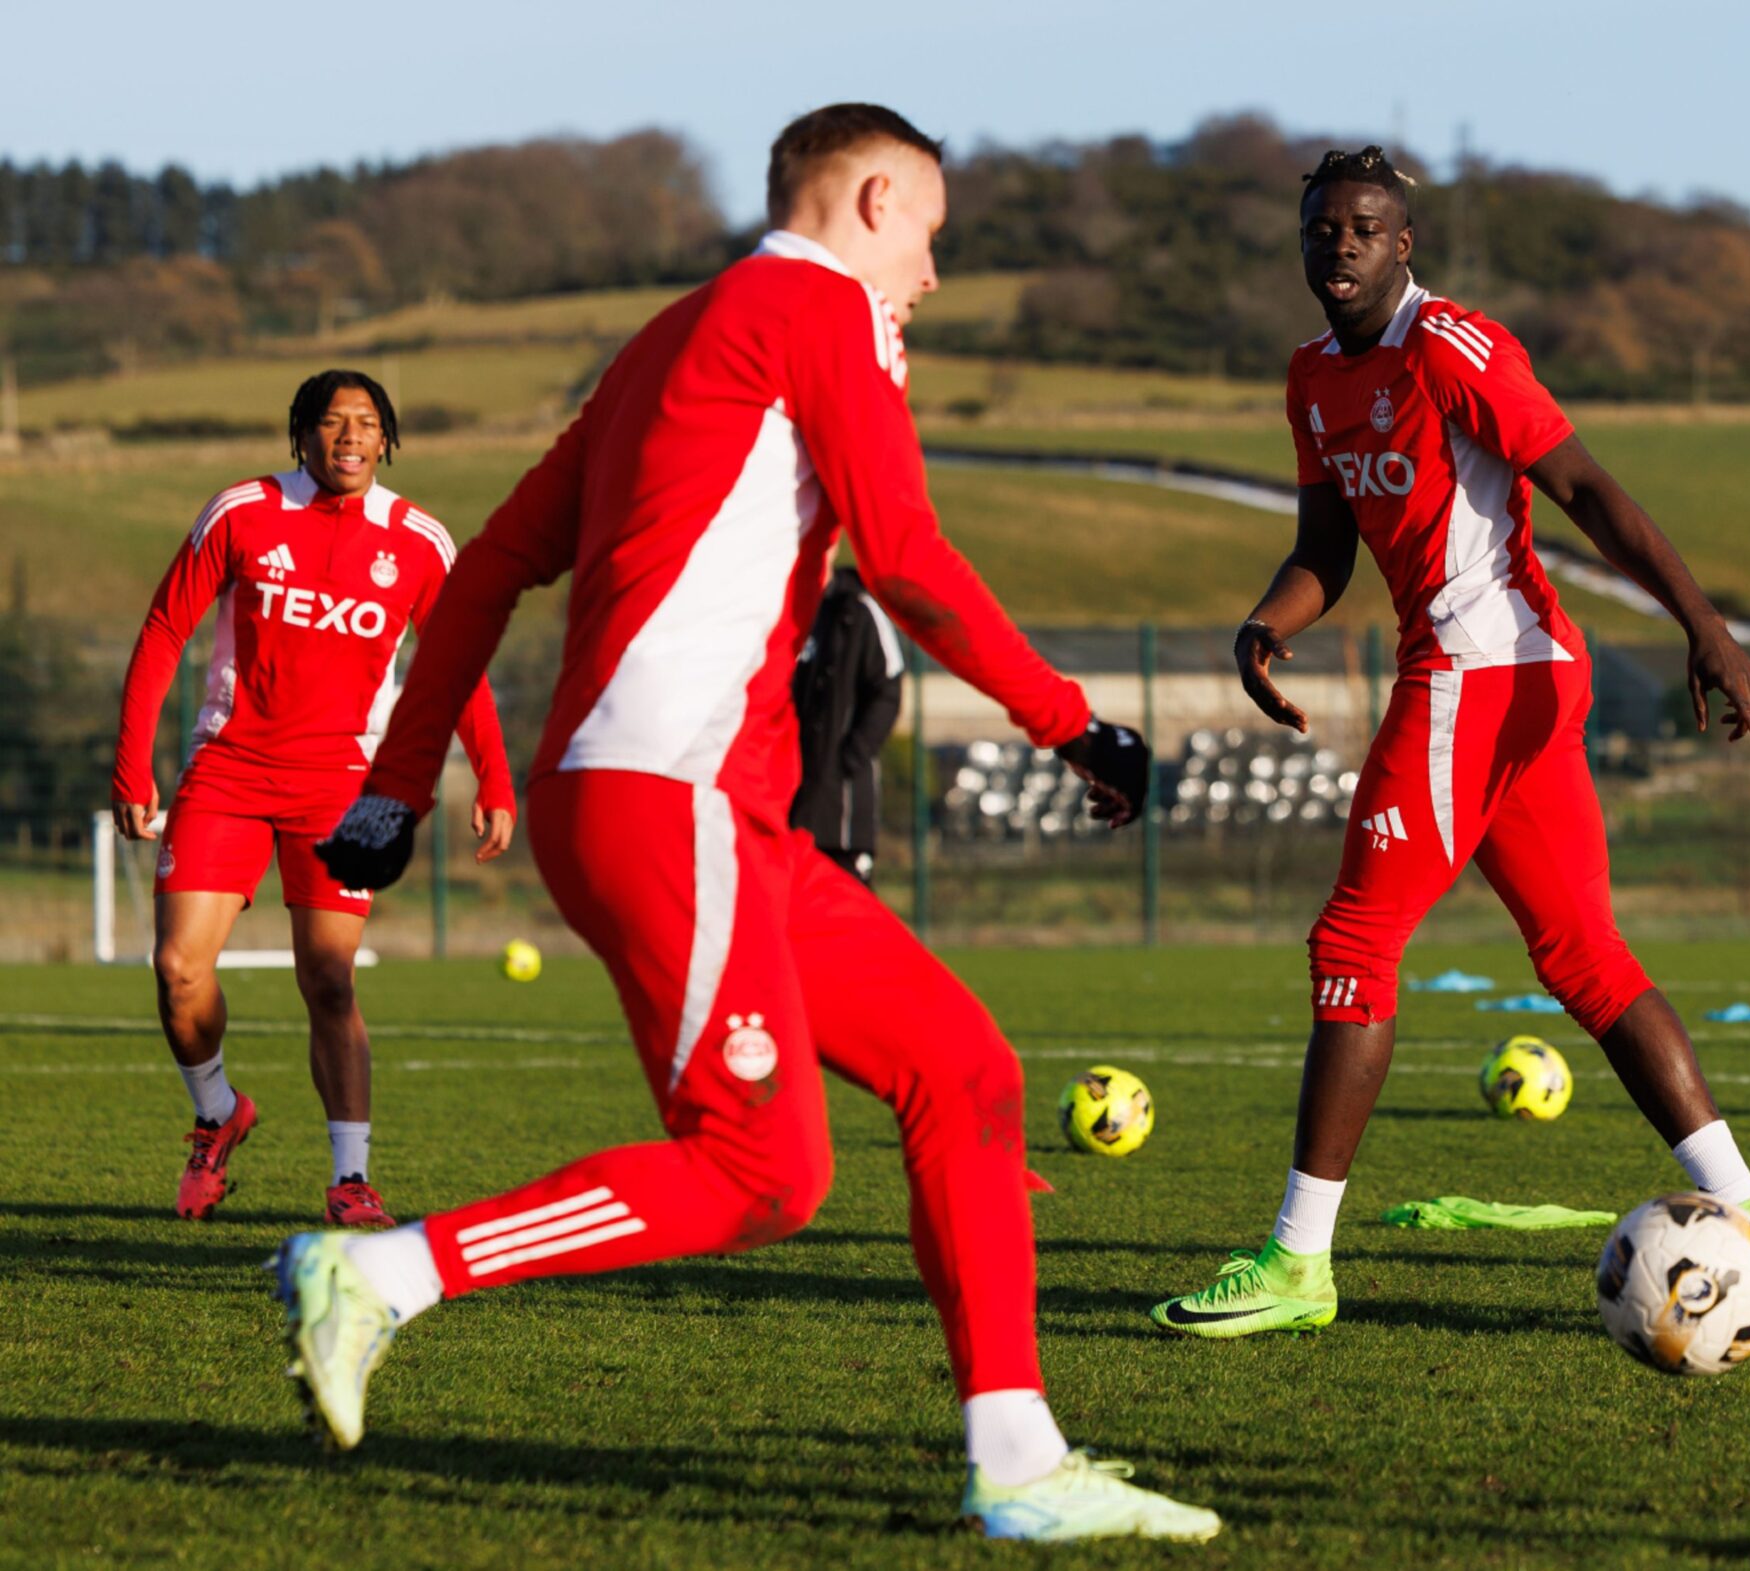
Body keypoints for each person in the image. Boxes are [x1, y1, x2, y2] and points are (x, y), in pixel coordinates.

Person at [280, 105, 1217, 1544]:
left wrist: (396, 787)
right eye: (931, 242)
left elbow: (482, 574)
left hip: (707, 814)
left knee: (965, 1072)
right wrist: (1067, 719)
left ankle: (1022, 1462)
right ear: (876, 200)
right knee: (763, 1167)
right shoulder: (818, 304)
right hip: (671, 795)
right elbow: (903, 553)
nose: (933, 278)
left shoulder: (664, 343)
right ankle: (390, 1274)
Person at [1150, 147, 1750, 1341]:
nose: (1340, 246)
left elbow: (1586, 487)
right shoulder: (1311, 377)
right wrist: (1266, 623)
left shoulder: (1453, 347)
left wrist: (1704, 625)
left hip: (1483, 668)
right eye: (1322, 230)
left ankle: (1297, 1264)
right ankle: (1748, 1202)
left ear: (1403, 245)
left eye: (1364, 228)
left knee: (1353, 937)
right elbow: (1326, 545)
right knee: (1583, 956)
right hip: (1502, 678)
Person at [111, 369, 515, 1227]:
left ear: (388, 439)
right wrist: (131, 766)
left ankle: (350, 1177)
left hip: (345, 784)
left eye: (368, 423)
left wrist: (492, 772)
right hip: (228, 769)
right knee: (178, 970)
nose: (350, 436)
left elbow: (453, 666)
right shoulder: (241, 512)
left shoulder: (418, 540)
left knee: (329, 978)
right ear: (300, 435)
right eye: (332, 422)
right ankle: (218, 1113)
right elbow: (162, 632)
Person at [790, 563, 903, 882]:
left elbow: (887, 689)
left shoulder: (856, 611)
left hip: (841, 810)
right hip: (791, 803)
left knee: (849, 913)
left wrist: (849, 758)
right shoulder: (787, 608)